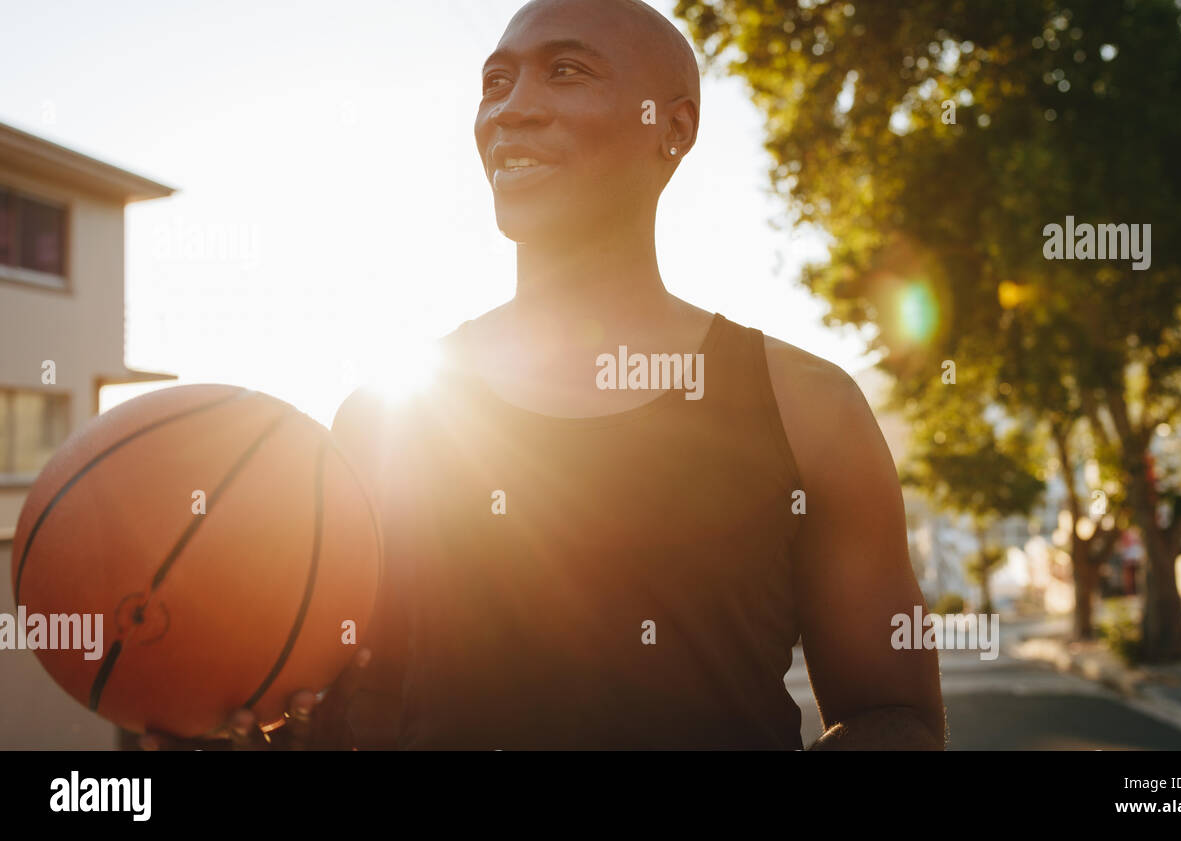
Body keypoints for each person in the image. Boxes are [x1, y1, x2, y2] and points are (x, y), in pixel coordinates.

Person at [144, 0, 944, 751]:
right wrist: (233, 706)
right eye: (496, 81)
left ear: (673, 126)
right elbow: (347, 710)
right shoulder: (385, 418)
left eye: (567, 71)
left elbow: (897, 716)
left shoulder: (808, 405)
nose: (511, 107)